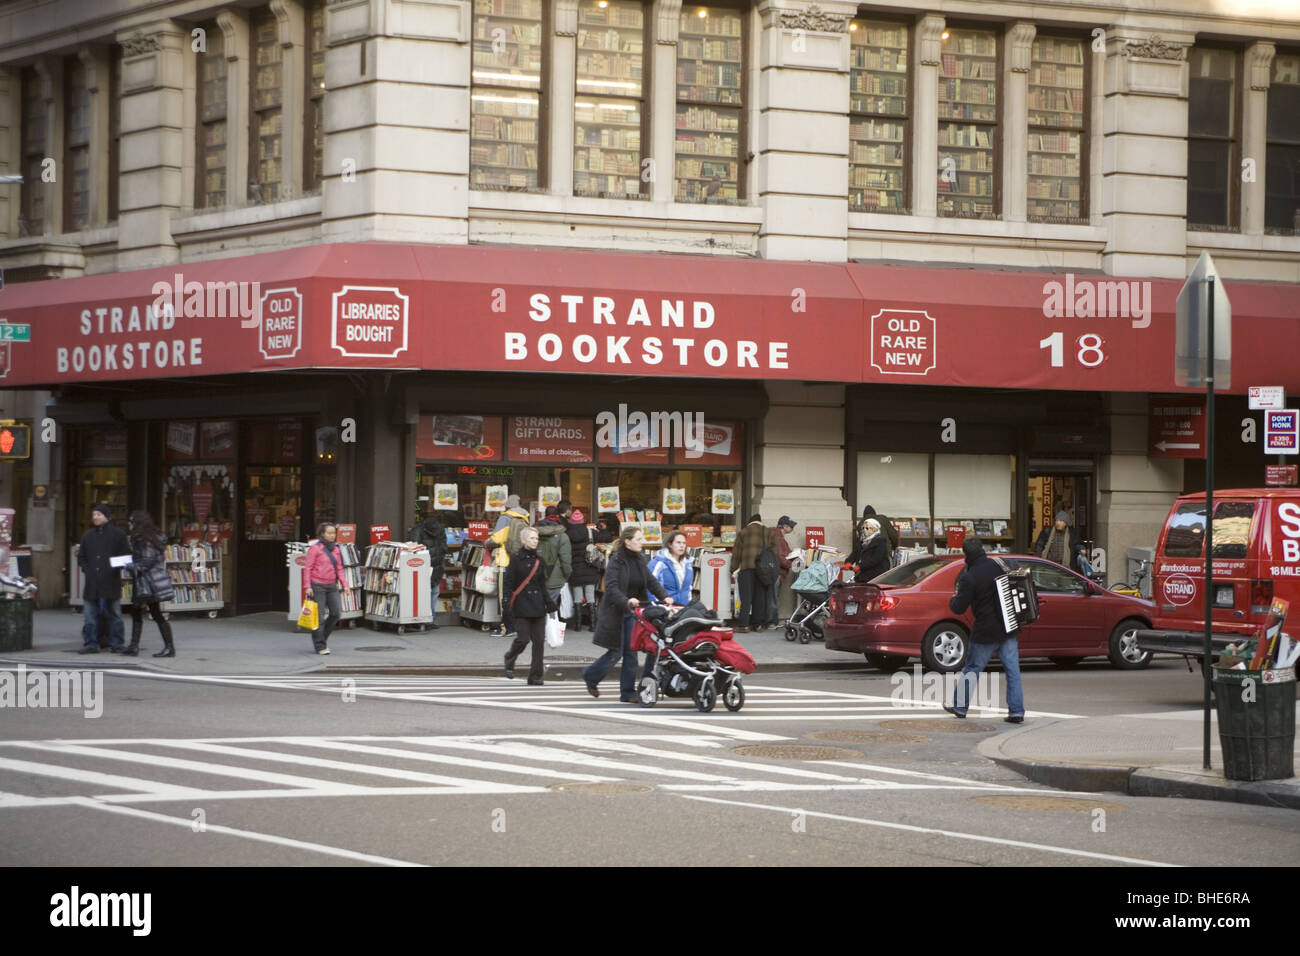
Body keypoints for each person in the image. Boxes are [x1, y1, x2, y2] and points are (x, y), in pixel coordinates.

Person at [583, 525, 672, 703]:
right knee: (616, 652)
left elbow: (651, 581)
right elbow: (612, 587)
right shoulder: (616, 561)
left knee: (631, 652)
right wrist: (626, 600)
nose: (642, 542)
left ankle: (627, 692)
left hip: (634, 612)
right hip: (616, 611)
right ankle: (590, 676)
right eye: (638, 539)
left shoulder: (639, 559)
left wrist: (665, 596)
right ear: (628, 541)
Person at [944, 538, 1025, 723]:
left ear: (966, 554)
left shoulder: (970, 576)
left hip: (986, 631)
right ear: (982, 549)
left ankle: (960, 706)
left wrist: (953, 598)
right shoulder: (998, 565)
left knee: (972, 667)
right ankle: (1016, 711)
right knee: (1013, 670)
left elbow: (958, 608)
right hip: (1008, 625)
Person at [503, 527, 555, 685]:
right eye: (532, 538)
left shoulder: (539, 560)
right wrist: (505, 603)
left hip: (538, 605)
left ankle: (535, 676)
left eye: (536, 538)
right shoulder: (515, 559)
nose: (535, 541)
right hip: (521, 605)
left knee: (539, 642)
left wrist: (549, 603)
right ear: (524, 540)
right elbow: (508, 582)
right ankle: (510, 658)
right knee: (523, 639)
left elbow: (541, 585)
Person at [77, 504, 132, 654]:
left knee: (115, 614)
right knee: (90, 615)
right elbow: (81, 557)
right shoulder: (88, 535)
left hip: (110, 580)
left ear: (107, 516)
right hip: (92, 581)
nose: (95, 517)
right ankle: (91, 643)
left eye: (98, 515)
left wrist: (111, 568)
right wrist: (88, 570)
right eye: (94, 515)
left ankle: (117, 643)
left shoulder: (118, 535)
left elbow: (125, 557)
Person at [125, 511, 176, 658]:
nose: (129, 524)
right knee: (143, 612)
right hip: (150, 581)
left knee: (149, 613)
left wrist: (130, 566)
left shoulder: (143, 538)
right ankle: (135, 646)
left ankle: (168, 647)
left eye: (131, 521)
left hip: (146, 581)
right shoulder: (152, 537)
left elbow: (147, 561)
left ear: (138, 523)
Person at [489, 494, 531, 637]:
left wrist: (487, 542)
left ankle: (506, 627)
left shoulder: (505, 517)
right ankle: (517, 626)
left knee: (504, 596)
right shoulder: (525, 518)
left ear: (507, 505)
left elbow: (497, 538)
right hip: (520, 561)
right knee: (515, 595)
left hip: (506, 561)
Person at [304, 522, 346, 655]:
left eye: (334, 533)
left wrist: (345, 585)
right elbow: (308, 568)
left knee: (335, 614)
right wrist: (307, 586)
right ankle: (320, 645)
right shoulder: (315, 549)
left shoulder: (336, 549)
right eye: (329, 533)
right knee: (319, 617)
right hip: (317, 585)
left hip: (332, 585)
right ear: (322, 534)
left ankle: (321, 638)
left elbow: (339, 568)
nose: (332, 535)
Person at [410, 513, 447, 629]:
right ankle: (421, 619)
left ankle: (429, 620)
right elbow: (415, 548)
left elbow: (443, 545)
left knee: (434, 592)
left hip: (436, 566)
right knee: (422, 593)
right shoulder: (417, 531)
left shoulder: (440, 530)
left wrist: (440, 554)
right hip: (422, 566)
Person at [733, 513, 769, 632]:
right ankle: (758, 624)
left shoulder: (743, 532)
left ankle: (744, 625)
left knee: (746, 597)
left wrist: (732, 569)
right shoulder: (767, 533)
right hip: (762, 570)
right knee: (759, 597)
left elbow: (737, 553)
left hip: (746, 568)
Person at [565, 508, 599, 632]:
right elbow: (606, 536)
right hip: (589, 568)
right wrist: (600, 528)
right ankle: (593, 625)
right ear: (583, 521)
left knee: (577, 598)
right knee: (590, 597)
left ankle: (578, 626)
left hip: (575, 569)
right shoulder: (589, 532)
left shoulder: (567, 534)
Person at [536, 505, 572, 613]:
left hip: (536, 576)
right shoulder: (562, 536)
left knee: (538, 606)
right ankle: (549, 628)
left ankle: (539, 628)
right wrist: (567, 574)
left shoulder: (534, 533)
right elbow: (565, 559)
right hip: (555, 578)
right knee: (551, 608)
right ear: (557, 516)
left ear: (545, 515)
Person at [768, 516, 796, 626]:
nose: (792, 528)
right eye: (791, 526)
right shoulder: (778, 538)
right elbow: (780, 557)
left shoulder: (776, 536)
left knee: (772, 597)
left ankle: (771, 621)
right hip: (776, 573)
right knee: (773, 598)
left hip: (773, 572)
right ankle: (772, 622)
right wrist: (791, 564)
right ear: (784, 526)